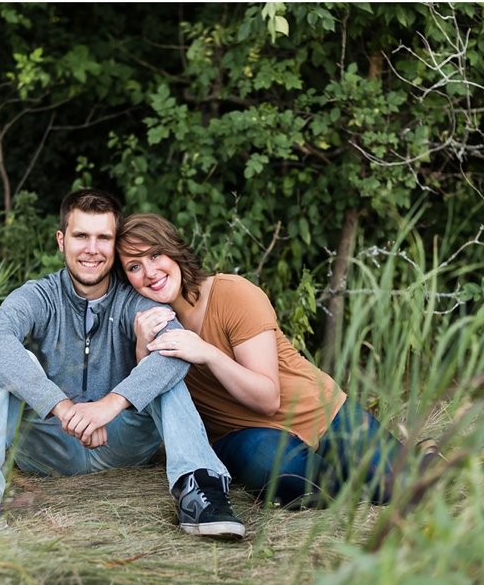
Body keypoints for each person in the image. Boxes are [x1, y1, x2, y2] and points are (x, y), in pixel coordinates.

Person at [0, 189, 245, 541]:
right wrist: (63, 408)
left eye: (103, 237)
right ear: (61, 240)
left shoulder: (136, 299)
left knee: (164, 357)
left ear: (114, 243)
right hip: (48, 442)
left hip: (122, 439)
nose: (92, 248)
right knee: (11, 361)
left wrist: (110, 405)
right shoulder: (38, 295)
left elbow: (175, 352)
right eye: (81, 236)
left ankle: (201, 491)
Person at [116, 212, 443, 509]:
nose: (150, 272)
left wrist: (207, 352)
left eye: (155, 255)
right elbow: (155, 415)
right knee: (289, 474)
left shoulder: (232, 294)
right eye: (134, 266)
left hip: (316, 411)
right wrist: (143, 350)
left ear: (173, 250)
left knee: (400, 488)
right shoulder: (150, 325)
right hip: (241, 435)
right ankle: (339, 481)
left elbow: (268, 397)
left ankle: (415, 457)